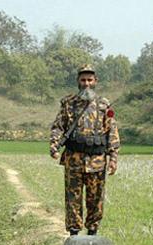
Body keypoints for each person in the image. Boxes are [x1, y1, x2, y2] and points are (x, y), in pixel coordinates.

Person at [49, 64, 120, 236]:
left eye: (90, 80)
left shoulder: (104, 105)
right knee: (73, 198)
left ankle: (92, 232)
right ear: (78, 82)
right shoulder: (68, 104)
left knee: (96, 199)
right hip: (74, 160)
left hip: (97, 161)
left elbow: (112, 131)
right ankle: (73, 234)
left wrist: (113, 157)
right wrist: (54, 144)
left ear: (95, 81)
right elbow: (58, 126)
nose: (86, 83)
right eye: (83, 80)